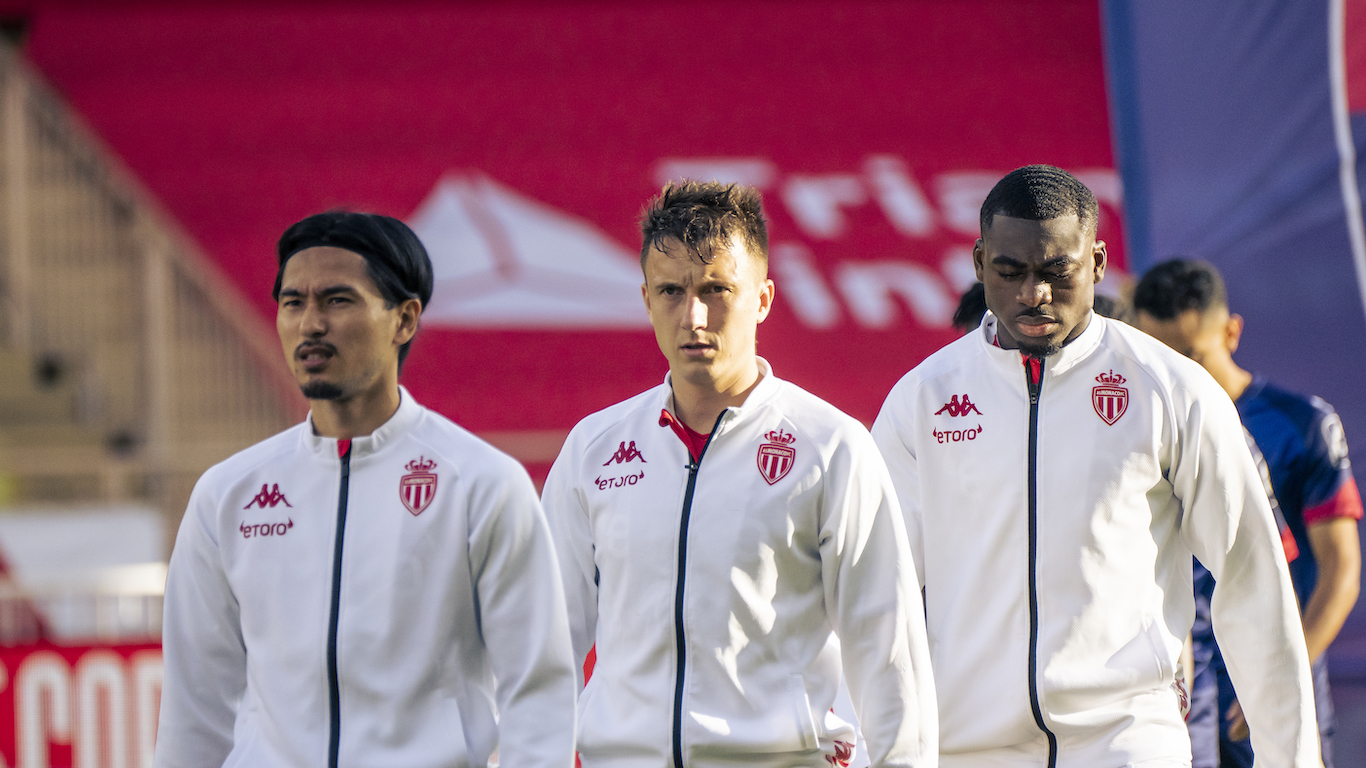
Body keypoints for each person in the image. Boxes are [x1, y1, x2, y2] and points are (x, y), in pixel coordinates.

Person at [871, 165, 1319, 767]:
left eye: (1058, 271)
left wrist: (1291, 758)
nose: (1034, 293)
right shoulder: (922, 400)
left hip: (1127, 741)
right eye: (1010, 271)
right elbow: (872, 592)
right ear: (979, 263)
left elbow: (1252, 578)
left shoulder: (1171, 389)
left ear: (1098, 263)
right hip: (968, 747)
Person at [154, 212, 577, 768]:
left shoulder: (481, 483)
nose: (310, 324)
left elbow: (538, 689)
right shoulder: (227, 496)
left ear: (404, 319)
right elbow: (194, 708)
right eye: (292, 303)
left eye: (337, 300)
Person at [541, 181, 937, 768]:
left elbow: (888, 649)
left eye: (716, 289)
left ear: (763, 298)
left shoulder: (830, 446)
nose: (693, 316)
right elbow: (544, 645)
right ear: (646, 298)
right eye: (671, 291)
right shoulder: (593, 450)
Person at [1133, 258, 1362, 768]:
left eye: (1191, 355)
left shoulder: (1302, 422)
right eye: (1159, 356)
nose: (1177, 374)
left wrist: (1280, 678)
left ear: (1231, 332)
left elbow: (1341, 571)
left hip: (1272, 673)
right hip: (1176, 690)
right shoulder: (1133, 429)